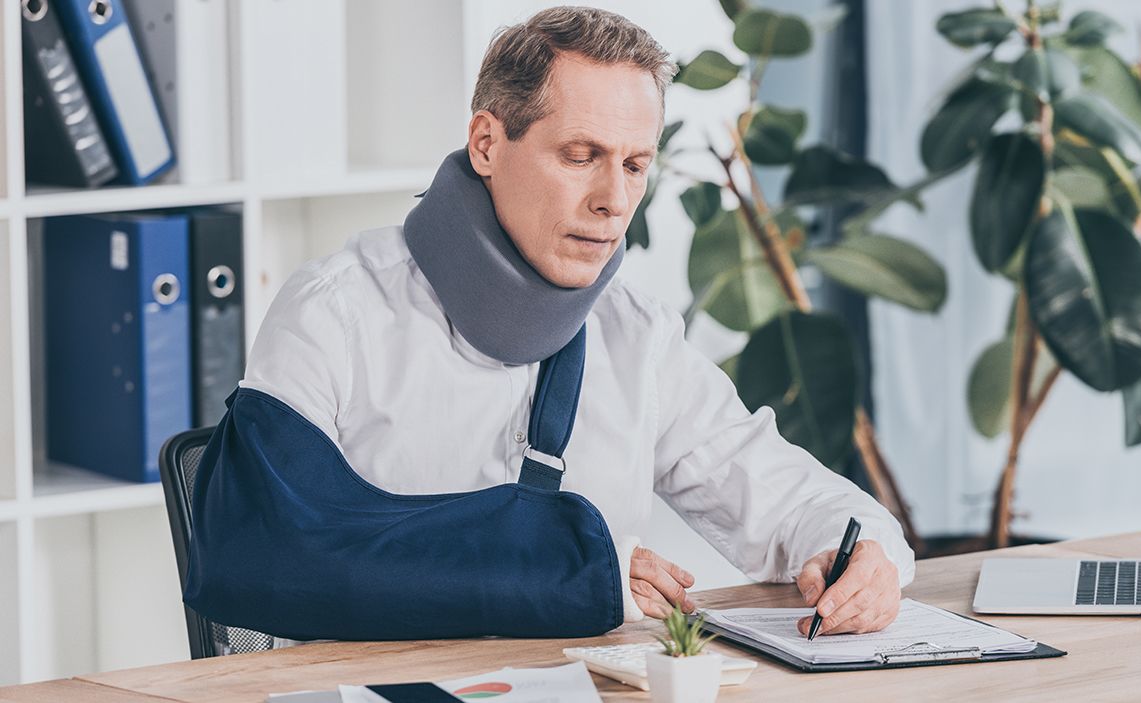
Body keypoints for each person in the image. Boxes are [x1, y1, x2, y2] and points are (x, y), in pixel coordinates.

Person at [236, 6, 914, 637]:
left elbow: (786, 495)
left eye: (635, 165)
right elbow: (268, 545)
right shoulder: (334, 312)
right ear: (486, 144)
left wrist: (861, 553)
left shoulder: (637, 337)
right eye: (580, 156)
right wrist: (566, 572)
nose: (614, 201)